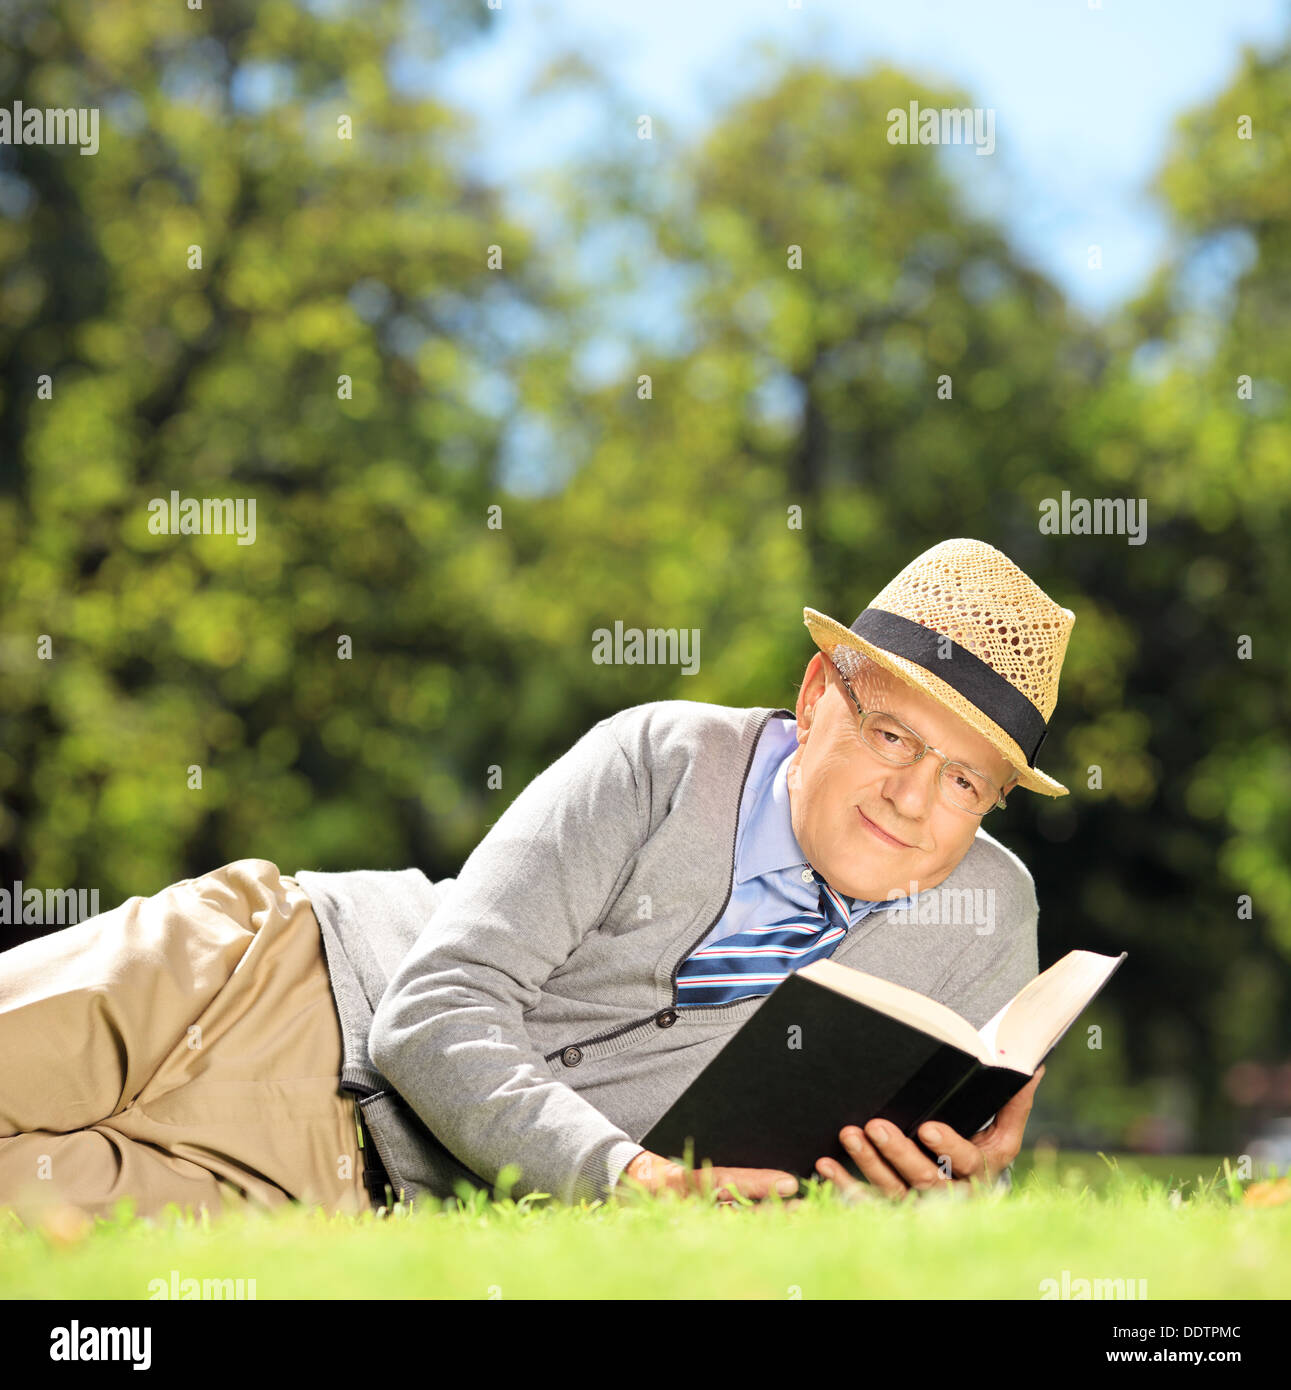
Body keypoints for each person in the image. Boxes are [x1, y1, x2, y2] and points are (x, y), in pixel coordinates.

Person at [0, 537, 1072, 1222]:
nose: (915, 798)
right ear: (815, 695)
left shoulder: (987, 916)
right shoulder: (661, 758)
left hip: (344, 1180)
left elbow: (903, 1189)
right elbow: (430, 1014)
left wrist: (958, 1182)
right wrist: (626, 1178)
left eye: (966, 778)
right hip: (279, 975)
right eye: (892, 733)